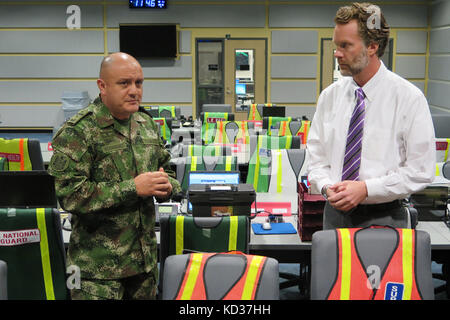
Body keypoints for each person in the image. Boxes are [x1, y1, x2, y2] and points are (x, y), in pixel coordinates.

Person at [48, 52, 181, 299]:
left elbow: (168, 171)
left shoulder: (146, 124)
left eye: (138, 83)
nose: (134, 91)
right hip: (97, 274)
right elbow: (69, 196)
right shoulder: (79, 132)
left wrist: (168, 187)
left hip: (144, 267)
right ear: (103, 86)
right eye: (124, 83)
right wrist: (133, 188)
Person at [306, 3, 436, 230]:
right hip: (334, 215)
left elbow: (421, 171)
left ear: (372, 47)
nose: (337, 53)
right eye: (337, 45)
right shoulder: (329, 97)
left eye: (345, 46)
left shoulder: (408, 98)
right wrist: (327, 187)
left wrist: (367, 189)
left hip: (387, 217)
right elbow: (316, 160)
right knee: (334, 268)